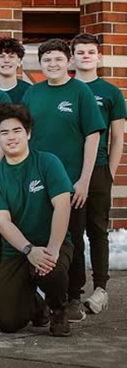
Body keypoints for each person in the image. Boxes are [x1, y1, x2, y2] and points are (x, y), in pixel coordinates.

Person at [21, 38, 103, 322]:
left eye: (58, 59)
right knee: (38, 235)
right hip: (37, 180)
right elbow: (22, 136)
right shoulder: (33, 93)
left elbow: (92, 136)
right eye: (47, 60)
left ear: (68, 62)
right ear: (39, 64)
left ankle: (73, 297)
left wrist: (83, 180)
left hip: (70, 182)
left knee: (73, 239)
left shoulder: (80, 92)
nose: (52, 64)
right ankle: (41, 296)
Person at [0, 103, 74, 337]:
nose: (11, 137)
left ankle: (58, 309)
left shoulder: (48, 162)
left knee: (50, 269)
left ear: (28, 133)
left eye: (17, 131)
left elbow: (62, 206)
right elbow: (3, 223)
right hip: (16, 250)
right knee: (7, 322)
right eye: (4, 133)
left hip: (51, 241)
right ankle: (36, 305)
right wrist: (28, 249)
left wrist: (52, 250)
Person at [71, 33, 126, 315]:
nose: (85, 56)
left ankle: (100, 288)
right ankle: (74, 290)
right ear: (73, 57)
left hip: (100, 170)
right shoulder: (65, 88)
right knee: (73, 231)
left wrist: (110, 173)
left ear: (99, 56)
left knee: (97, 230)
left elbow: (117, 137)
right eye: (80, 52)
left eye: (90, 52)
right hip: (69, 170)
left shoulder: (111, 92)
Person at [0, 35, 32, 104]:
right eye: (1, 56)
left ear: (19, 62)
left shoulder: (29, 92)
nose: (6, 60)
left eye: (11, 56)